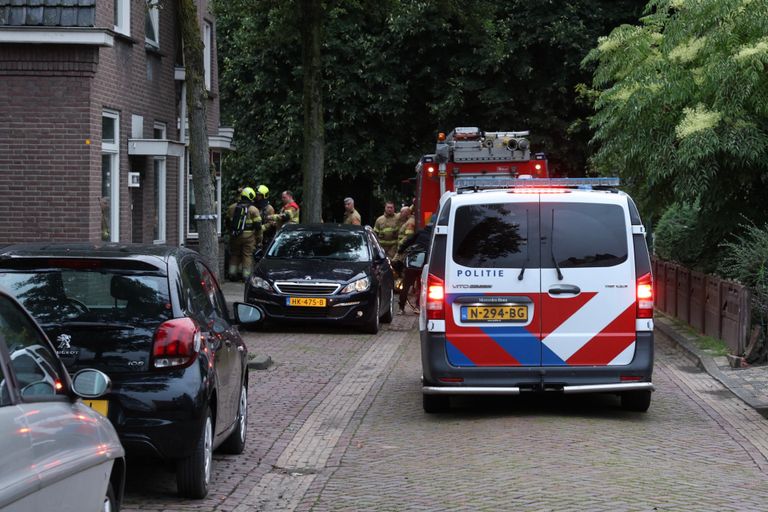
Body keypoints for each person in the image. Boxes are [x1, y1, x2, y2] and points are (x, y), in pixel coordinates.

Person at [397, 216, 433, 313]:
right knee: (422, 286)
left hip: (413, 262)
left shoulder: (420, 232)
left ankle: (401, 308)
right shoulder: (435, 235)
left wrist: (400, 250)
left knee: (406, 285)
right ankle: (418, 307)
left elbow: (408, 241)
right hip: (425, 264)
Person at [227, 187, 262, 281]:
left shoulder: (232, 208)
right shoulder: (254, 210)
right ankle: (246, 276)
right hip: (249, 237)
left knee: (235, 254)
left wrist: (231, 234)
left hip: (235, 236)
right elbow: (258, 227)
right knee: (247, 255)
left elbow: (227, 223)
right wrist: (259, 239)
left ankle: (232, 274)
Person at [254, 184, 276, 249]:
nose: (257, 196)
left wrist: (261, 228)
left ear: (264, 196)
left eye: (259, 195)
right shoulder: (254, 206)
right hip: (255, 237)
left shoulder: (269, 209)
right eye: (256, 194)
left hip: (266, 238)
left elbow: (271, 223)